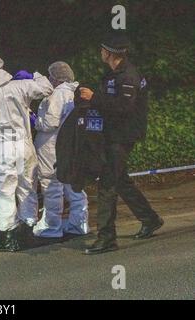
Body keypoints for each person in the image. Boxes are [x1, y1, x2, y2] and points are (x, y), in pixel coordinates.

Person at [79, 34, 164, 255]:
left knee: (107, 185)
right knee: (121, 181)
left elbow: (124, 108)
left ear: (109, 53)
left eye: (102, 50)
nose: (100, 53)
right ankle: (150, 219)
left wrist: (94, 98)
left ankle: (107, 238)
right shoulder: (113, 73)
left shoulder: (128, 76)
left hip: (122, 137)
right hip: (113, 134)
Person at [0, 55, 53, 252]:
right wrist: (34, 75)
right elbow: (47, 87)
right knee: (27, 187)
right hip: (24, 145)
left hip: (3, 148)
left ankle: (9, 235)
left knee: (5, 191)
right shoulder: (21, 86)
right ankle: (28, 230)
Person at [33, 62, 90, 238]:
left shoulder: (57, 95)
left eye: (50, 76)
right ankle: (79, 223)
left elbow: (50, 123)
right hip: (68, 146)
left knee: (52, 186)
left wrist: (34, 120)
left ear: (55, 78)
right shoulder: (73, 93)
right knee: (73, 184)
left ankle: (52, 227)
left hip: (51, 146)